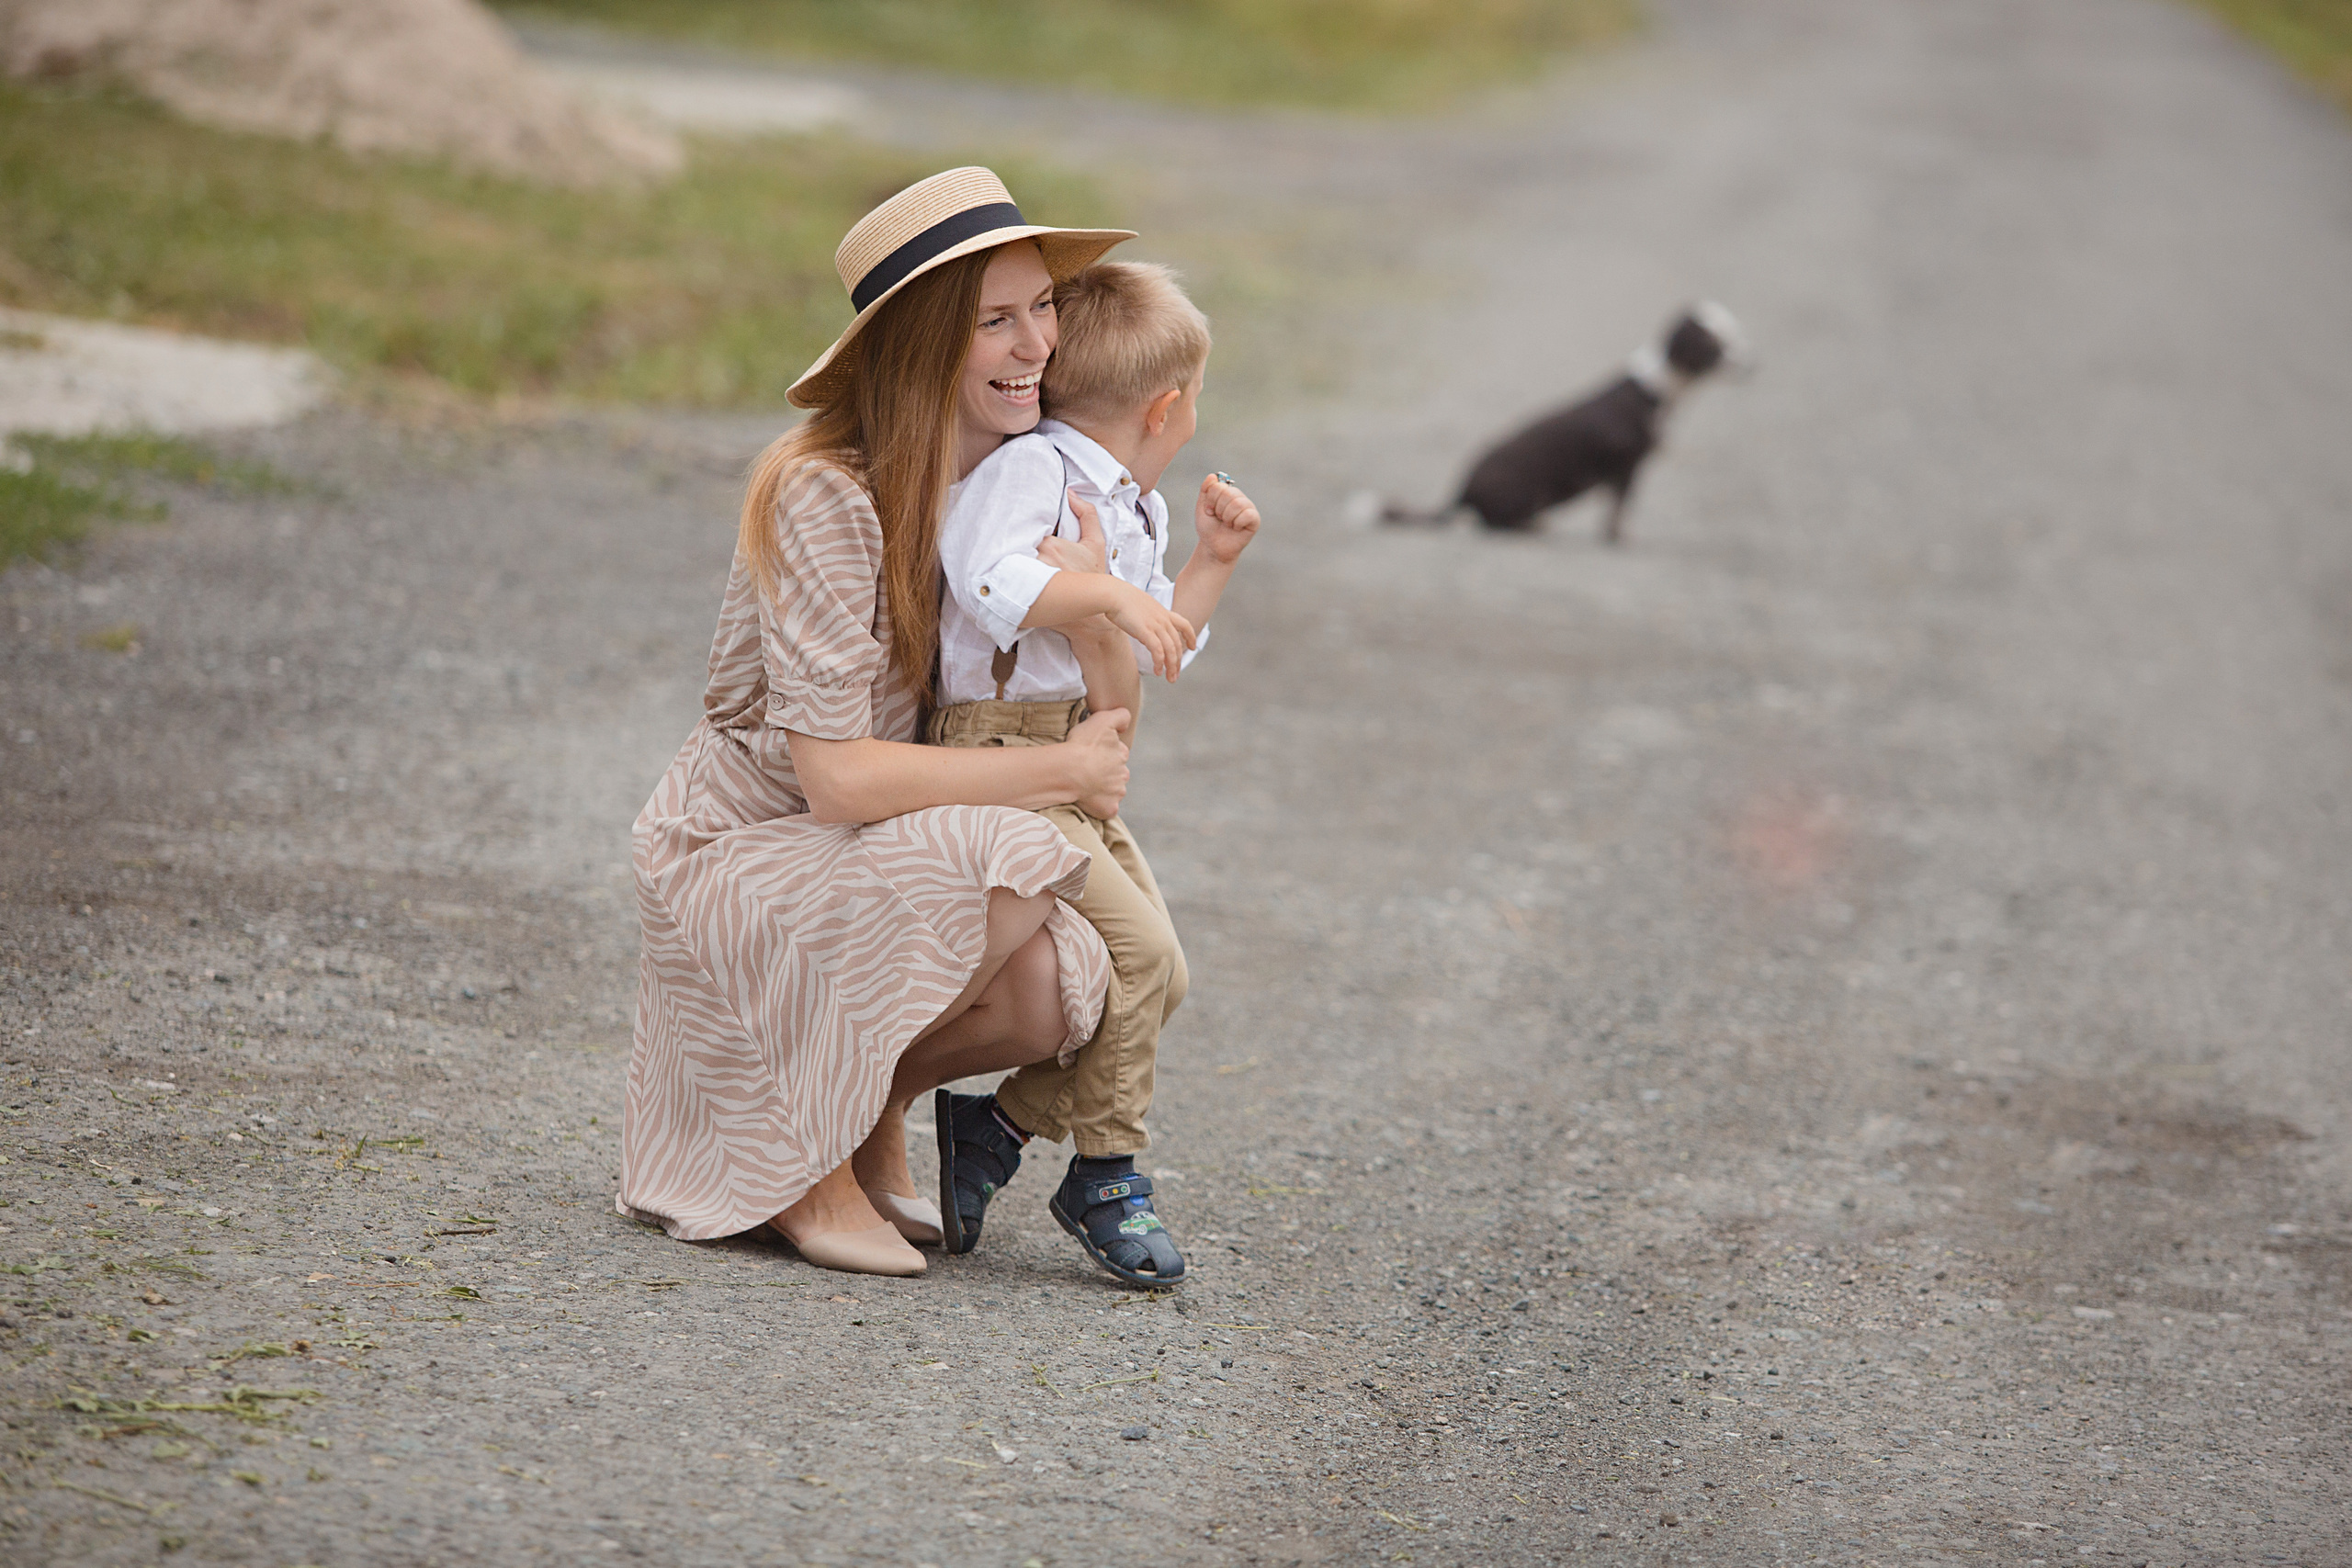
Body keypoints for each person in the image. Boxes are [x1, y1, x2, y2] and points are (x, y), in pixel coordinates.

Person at [616, 167, 1139, 1278]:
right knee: (1007, 857)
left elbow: (1099, 720)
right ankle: (798, 1162)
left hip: (868, 837)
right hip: (750, 844)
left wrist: (1098, 614)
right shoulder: (825, 492)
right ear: (919, 346)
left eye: (1041, 306)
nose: (1036, 343)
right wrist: (1058, 772)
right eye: (994, 321)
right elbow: (838, 786)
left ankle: (864, 1109)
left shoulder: (1009, 486)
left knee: (1056, 985)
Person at [927, 261, 1263, 1287]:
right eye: (1197, 397)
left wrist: (1206, 565)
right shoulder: (1033, 472)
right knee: (1148, 958)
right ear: (1169, 406)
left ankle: (994, 1130)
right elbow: (986, 577)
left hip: (1075, 756)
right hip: (1003, 751)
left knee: (1164, 973)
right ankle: (1106, 1173)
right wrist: (1101, 597)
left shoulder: (1136, 506)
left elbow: (1170, 643)